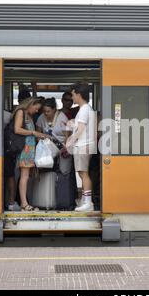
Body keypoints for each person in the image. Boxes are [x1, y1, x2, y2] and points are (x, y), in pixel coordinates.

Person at [66, 83, 97, 212]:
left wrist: (70, 141)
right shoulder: (87, 109)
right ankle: (85, 201)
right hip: (86, 144)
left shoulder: (84, 109)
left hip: (83, 145)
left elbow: (81, 129)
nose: (72, 98)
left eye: (73, 95)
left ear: (78, 94)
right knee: (82, 173)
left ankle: (88, 203)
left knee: (83, 174)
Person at [13, 97, 47, 211]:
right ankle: (24, 203)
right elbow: (17, 129)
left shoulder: (29, 116)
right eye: (36, 108)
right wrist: (33, 132)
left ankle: (25, 202)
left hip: (30, 149)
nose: (37, 111)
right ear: (31, 104)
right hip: (25, 149)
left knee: (26, 176)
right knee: (24, 176)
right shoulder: (21, 112)